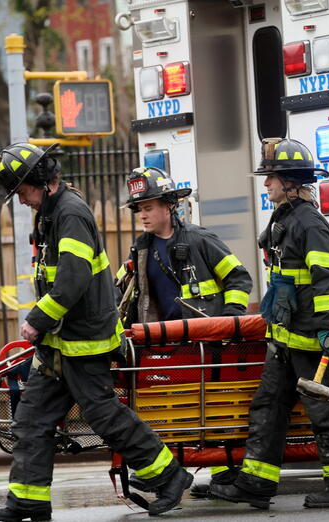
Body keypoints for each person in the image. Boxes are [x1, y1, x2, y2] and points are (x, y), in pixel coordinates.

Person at [0, 143, 193, 522]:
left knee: (104, 416)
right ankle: (28, 499)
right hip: (60, 344)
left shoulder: (70, 213)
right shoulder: (50, 214)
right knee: (31, 419)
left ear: (39, 182)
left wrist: (37, 319)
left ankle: (169, 478)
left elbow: (74, 277)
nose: (20, 201)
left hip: (84, 342)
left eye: (22, 191)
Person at [210, 138, 329, 510]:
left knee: (324, 412)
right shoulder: (286, 217)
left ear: (291, 182)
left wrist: (328, 330)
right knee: (267, 406)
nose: (266, 185)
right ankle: (257, 483)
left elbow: (325, 282)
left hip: (312, 340)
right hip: (284, 338)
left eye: (271, 178)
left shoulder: (310, 223)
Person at [115, 166, 253, 496]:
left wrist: (230, 321)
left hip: (208, 343)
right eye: (139, 209)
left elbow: (239, 278)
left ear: (168, 206)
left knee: (215, 407)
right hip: (167, 344)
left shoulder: (200, 240)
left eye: (148, 207)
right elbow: (120, 287)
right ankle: (168, 469)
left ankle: (226, 471)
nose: (143, 216)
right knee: (169, 410)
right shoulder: (141, 249)